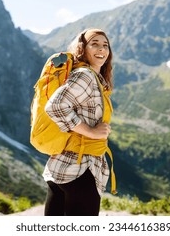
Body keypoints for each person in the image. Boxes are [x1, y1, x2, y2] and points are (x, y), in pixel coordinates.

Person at [43, 28, 114, 216]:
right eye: (95, 44)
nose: (101, 49)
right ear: (83, 48)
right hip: (81, 170)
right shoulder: (85, 75)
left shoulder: (89, 77)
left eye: (105, 45)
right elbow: (55, 106)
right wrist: (91, 132)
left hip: (62, 166)